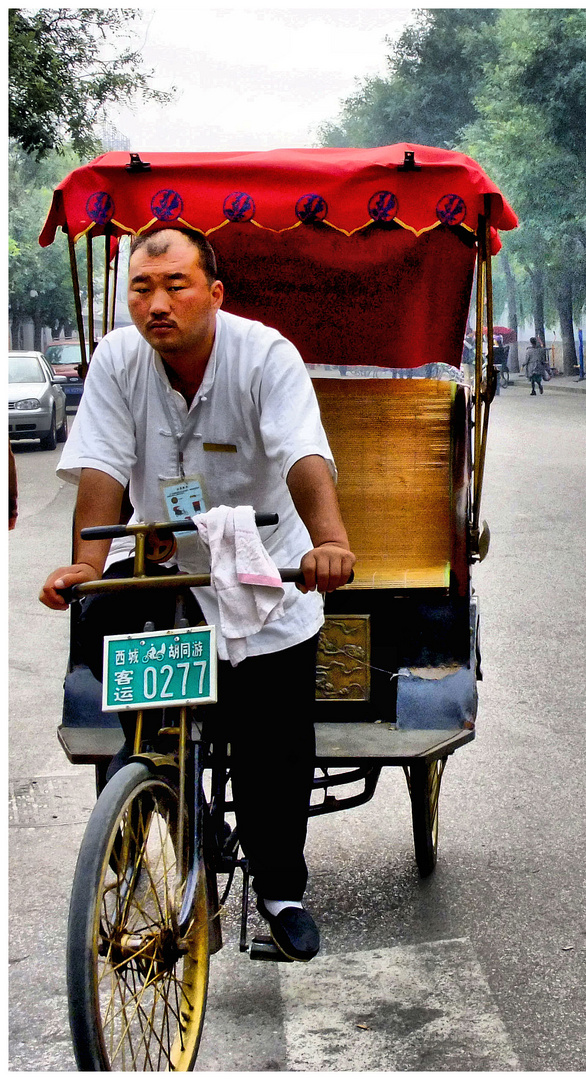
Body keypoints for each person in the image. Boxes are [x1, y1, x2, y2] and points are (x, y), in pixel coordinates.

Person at [39, 226, 355, 963]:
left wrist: (328, 542)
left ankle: (280, 893)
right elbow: (101, 463)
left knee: (271, 740)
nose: (157, 304)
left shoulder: (263, 355)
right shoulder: (120, 358)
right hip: (162, 560)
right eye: (142, 290)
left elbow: (302, 453)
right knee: (100, 624)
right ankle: (159, 781)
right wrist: (86, 564)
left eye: (175, 285)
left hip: (262, 570)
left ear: (213, 293)